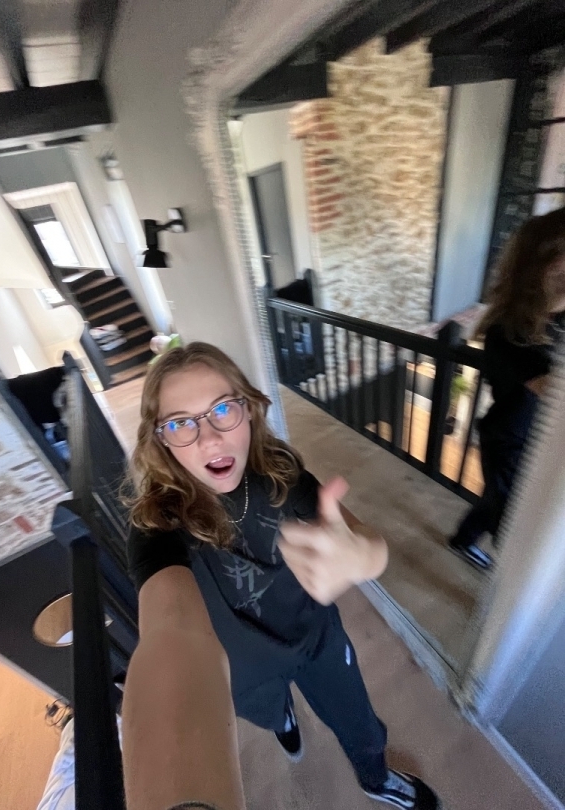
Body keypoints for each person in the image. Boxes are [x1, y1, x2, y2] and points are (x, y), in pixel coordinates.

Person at [123, 342, 441, 810]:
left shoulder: (282, 474)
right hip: (246, 670)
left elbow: (365, 540)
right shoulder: (156, 525)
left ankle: (376, 779)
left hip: (317, 640)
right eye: (180, 423)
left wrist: (362, 557)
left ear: (249, 410)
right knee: (272, 713)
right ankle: (284, 719)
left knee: (361, 724)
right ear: (161, 440)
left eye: (222, 409)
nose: (209, 439)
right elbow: (170, 632)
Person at [449, 207, 565, 570]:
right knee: (511, 518)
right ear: (541, 264)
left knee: (499, 500)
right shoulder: (507, 330)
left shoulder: (557, 317)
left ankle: (462, 539)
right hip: (509, 441)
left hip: (535, 438)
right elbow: (552, 388)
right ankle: (496, 567)